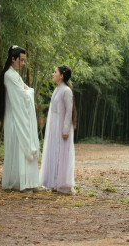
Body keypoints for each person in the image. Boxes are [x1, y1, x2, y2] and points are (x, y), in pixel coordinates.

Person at [0, 45, 40, 191]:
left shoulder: (15, 75)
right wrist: (28, 91)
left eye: (24, 61)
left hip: (19, 116)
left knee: (21, 149)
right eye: (21, 60)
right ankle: (18, 181)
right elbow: (24, 94)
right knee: (18, 149)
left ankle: (25, 181)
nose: (23, 64)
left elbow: (27, 91)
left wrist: (27, 91)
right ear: (13, 59)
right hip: (14, 117)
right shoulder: (9, 76)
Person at [39, 64, 76, 194]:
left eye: (55, 72)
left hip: (61, 126)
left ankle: (62, 182)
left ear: (61, 76)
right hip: (54, 125)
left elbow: (69, 112)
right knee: (54, 152)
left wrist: (66, 130)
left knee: (61, 153)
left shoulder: (66, 91)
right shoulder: (57, 90)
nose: (53, 74)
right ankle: (53, 182)